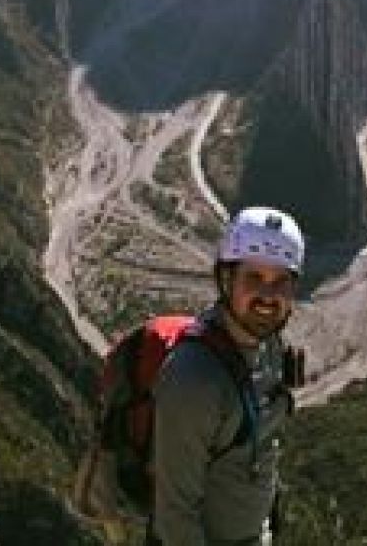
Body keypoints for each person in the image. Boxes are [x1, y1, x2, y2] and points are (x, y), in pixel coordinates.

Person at [151, 205, 304, 546]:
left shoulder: (270, 348)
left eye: (281, 281)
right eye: (254, 278)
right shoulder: (194, 378)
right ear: (226, 280)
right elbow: (175, 515)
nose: (268, 296)